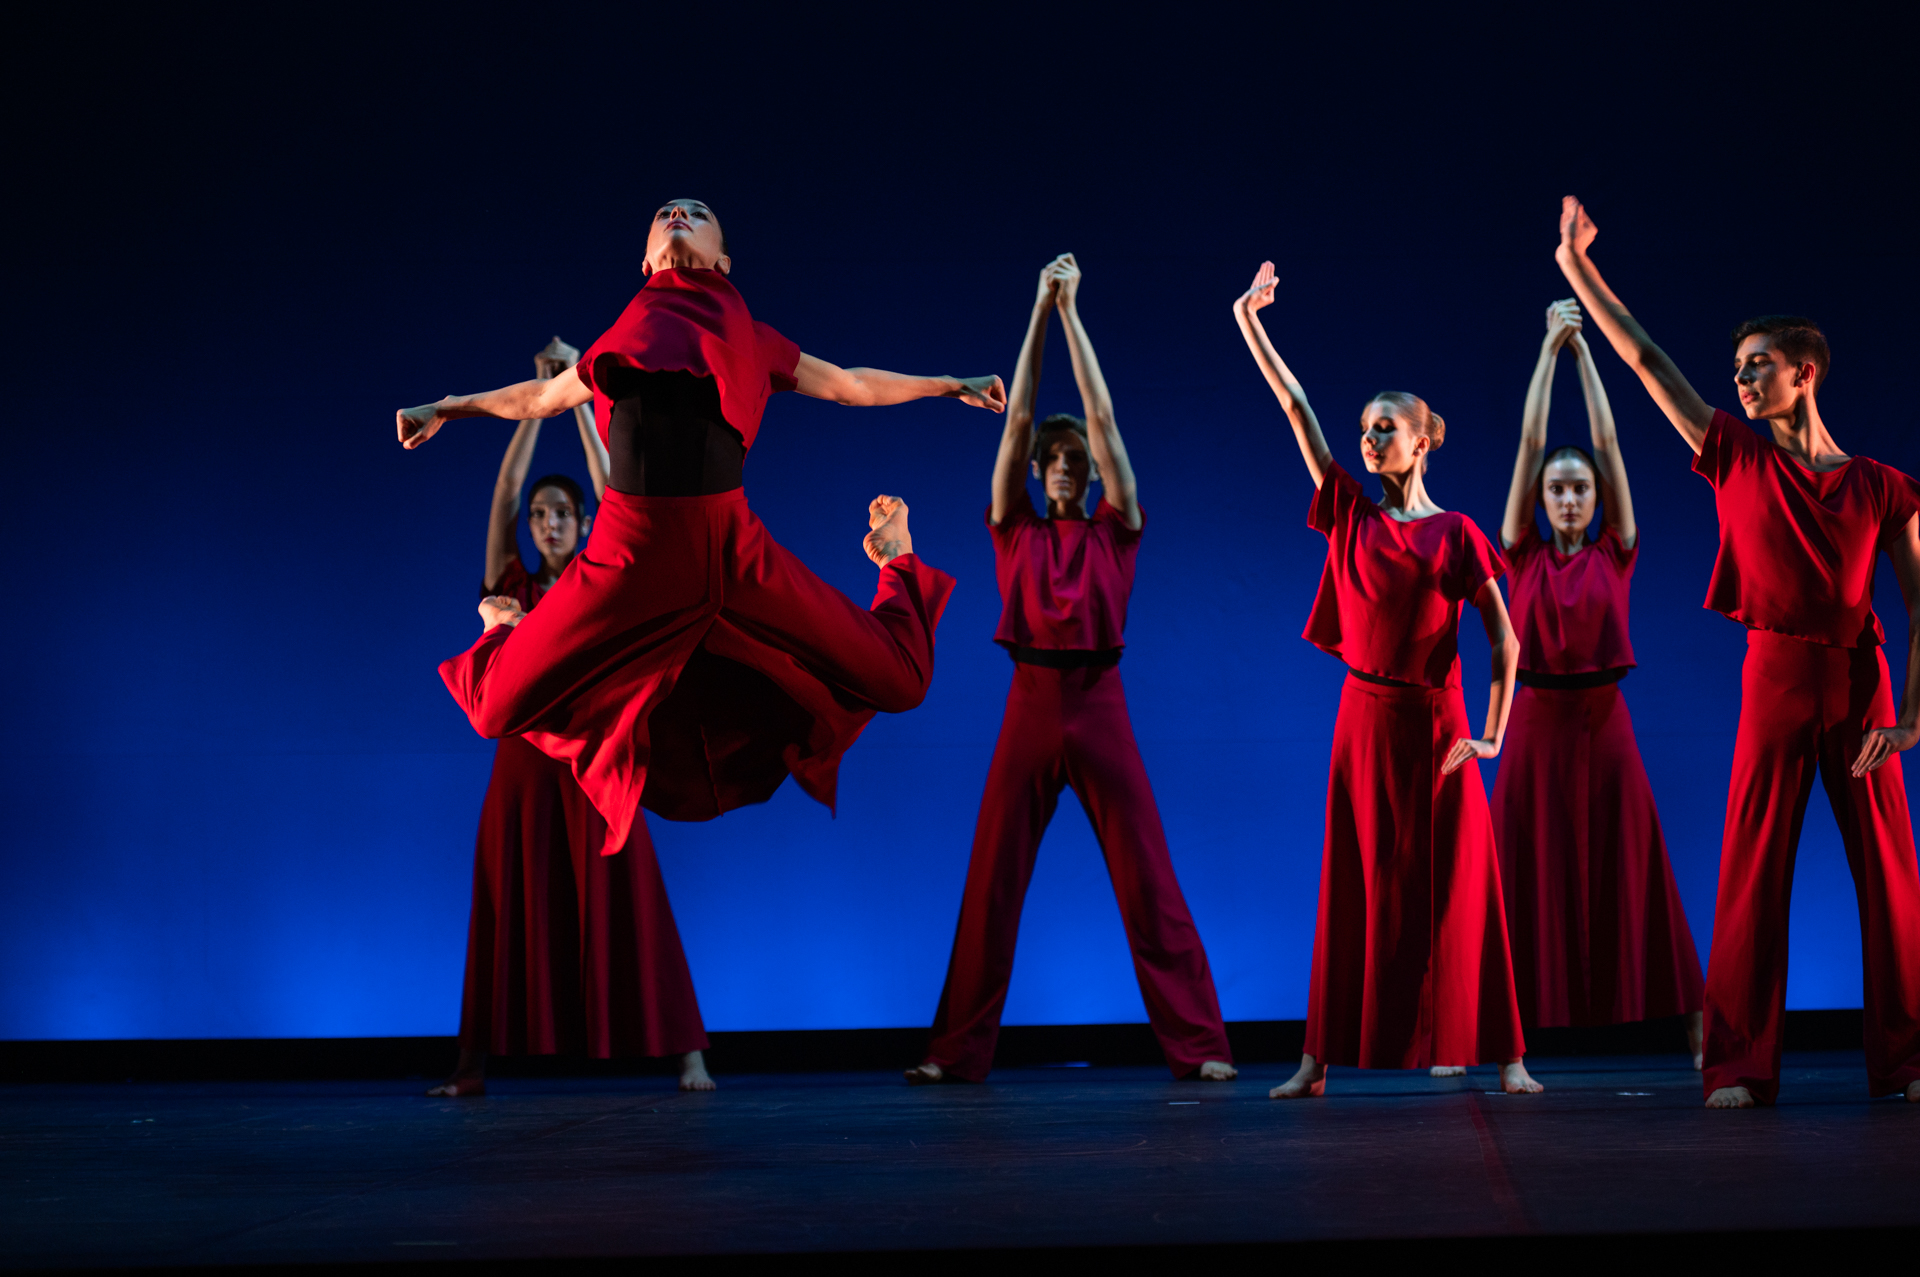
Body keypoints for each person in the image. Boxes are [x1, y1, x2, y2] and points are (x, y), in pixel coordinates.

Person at [395, 200, 1004, 852]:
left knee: (901, 681)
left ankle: (896, 560)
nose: (679, 213)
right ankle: (504, 630)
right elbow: (537, 400)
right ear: (647, 257)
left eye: (697, 211)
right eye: (665, 212)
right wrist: (446, 408)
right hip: (630, 553)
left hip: (732, 547)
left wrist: (947, 384)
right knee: (491, 710)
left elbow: (853, 385)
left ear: (723, 259)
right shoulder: (613, 340)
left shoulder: (753, 336)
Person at [1553, 196, 1920, 1107]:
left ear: (1806, 373)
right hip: (1775, 678)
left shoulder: (1878, 485)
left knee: (1893, 880)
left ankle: (1906, 1059)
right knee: (1753, 870)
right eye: (1738, 369)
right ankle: (1742, 1064)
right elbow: (1644, 357)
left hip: (1861, 680)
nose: (1743, 381)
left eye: (1759, 367)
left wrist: (1913, 714)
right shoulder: (1735, 456)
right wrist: (1575, 266)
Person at [906, 256, 1236, 1085]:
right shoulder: (1011, 526)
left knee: (1149, 879)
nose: (1062, 462)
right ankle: (954, 1051)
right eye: (1052, 456)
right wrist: (1036, 311)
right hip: (1030, 700)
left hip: (1099, 702)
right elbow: (1015, 420)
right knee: (991, 886)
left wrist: (1072, 312)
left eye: (1075, 457)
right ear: (1035, 469)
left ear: (1091, 471)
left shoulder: (1115, 531)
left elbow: (1104, 414)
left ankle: (1200, 1048)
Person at [1232, 260, 1542, 1098]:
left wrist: (1491, 735)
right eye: (1365, 428)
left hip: (1440, 725)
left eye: (1385, 428)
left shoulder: (1455, 532)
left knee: (1464, 883)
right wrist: (1250, 320)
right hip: (1363, 719)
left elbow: (1505, 642)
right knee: (1352, 881)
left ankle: (1508, 1055)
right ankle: (1315, 1059)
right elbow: (1296, 409)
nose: (1370, 439)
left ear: (1423, 437)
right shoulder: (1347, 513)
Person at [429, 339, 714, 1098]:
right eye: (542, 516)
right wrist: (537, 396)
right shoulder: (513, 584)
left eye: (562, 514)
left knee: (635, 899)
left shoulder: (598, 578)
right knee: (502, 900)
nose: (548, 522)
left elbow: (615, 485)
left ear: (584, 523)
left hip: (596, 759)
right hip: (525, 764)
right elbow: (503, 492)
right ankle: (469, 1067)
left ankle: (688, 1054)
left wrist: (577, 397)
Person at [1492, 299, 1707, 1066]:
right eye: (1559, 489)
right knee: (1517, 866)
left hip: (1605, 721)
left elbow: (1610, 441)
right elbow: (1528, 442)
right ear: (1543, 500)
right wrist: (1549, 348)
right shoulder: (1519, 553)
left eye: (1580, 487)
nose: (1571, 497)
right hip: (1537, 722)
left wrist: (1587, 356)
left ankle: (1696, 1031)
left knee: (1634, 862)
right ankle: (1495, 1035)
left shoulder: (1617, 550)